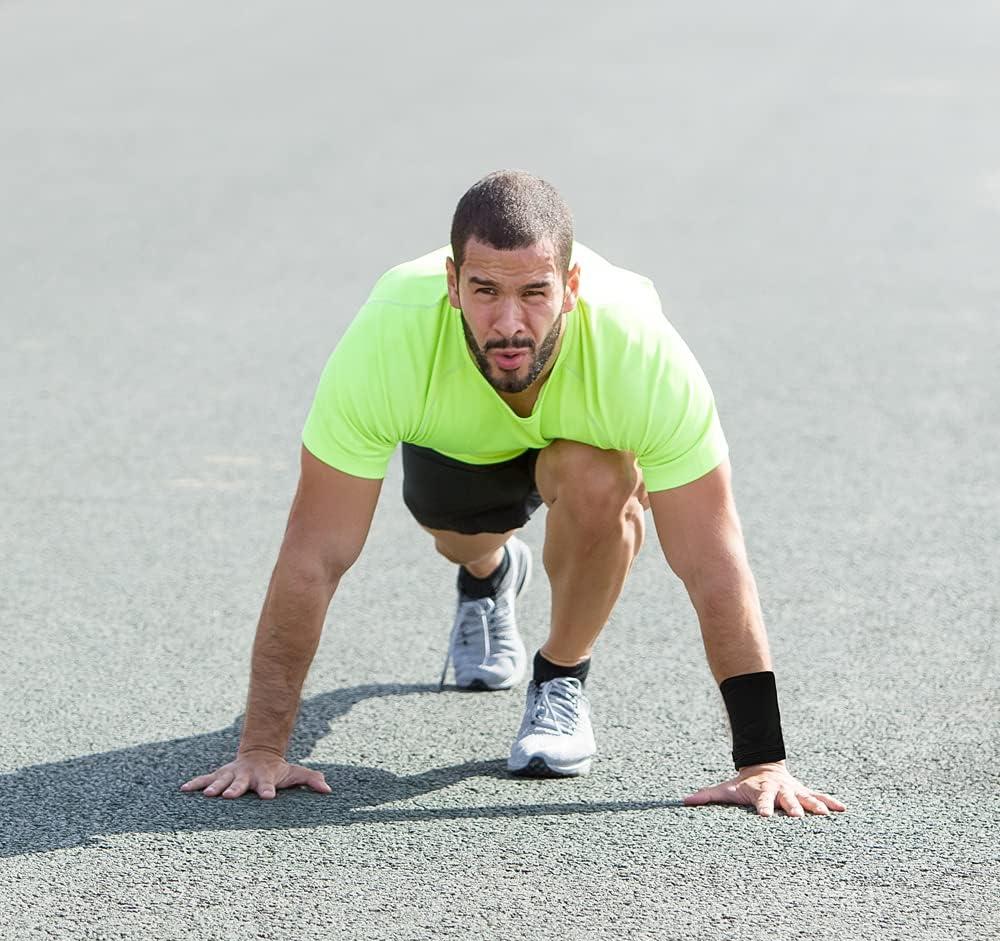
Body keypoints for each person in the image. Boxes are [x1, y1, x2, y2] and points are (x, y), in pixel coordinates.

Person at [181, 170, 845, 818]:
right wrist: (262, 749)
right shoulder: (387, 338)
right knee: (458, 539)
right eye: (484, 290)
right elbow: (314, 554)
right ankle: (488, 574)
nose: (508, 323)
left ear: (572, 286)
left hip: (584, 446)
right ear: (451, 284)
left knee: (600, 478)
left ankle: (559, 676)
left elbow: (713, 561)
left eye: (534, 291)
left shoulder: (641, 354)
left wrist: (763, 762)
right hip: (458, 447)